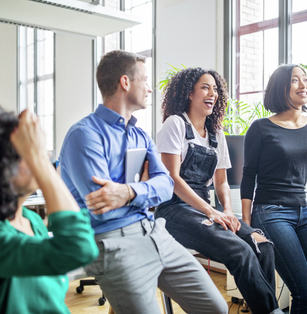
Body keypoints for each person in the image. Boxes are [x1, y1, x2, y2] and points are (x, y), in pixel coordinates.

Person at [59, 51, 227, 314]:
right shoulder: (84, 135)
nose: (150, 89)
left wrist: (127, 191)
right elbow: (104, 208)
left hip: (154, 232)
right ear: (125, 82)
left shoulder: (140, 135)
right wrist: (146, 191)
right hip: (114, 242)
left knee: (216, 308)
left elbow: (166, 186)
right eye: (145, 80)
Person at [155, 67, 283, 314]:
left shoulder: (215, 134)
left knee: (263, 245)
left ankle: (265, 309)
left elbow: (221, 181)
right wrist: (211, 212)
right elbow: (172, 178)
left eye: (215, 89)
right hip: (174, 210)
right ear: (189, 93)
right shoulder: (176, 124)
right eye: (205, 87)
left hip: (205, 208)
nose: (212, 93)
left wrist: (227, 211)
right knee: (240, 251)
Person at [241, 64, 307, 314]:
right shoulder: (260, 128)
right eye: (295, 80)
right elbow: (248, 175)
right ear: (280, 88)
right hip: (270, 212)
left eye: (305, 80)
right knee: (306, 291)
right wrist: (247, 225)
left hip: (303, 212)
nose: (303, 85)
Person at [0, 108, 98, 314]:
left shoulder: (32, 220)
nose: (41, 155)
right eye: (26, 153)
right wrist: (41, 163)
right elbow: (79, 247)